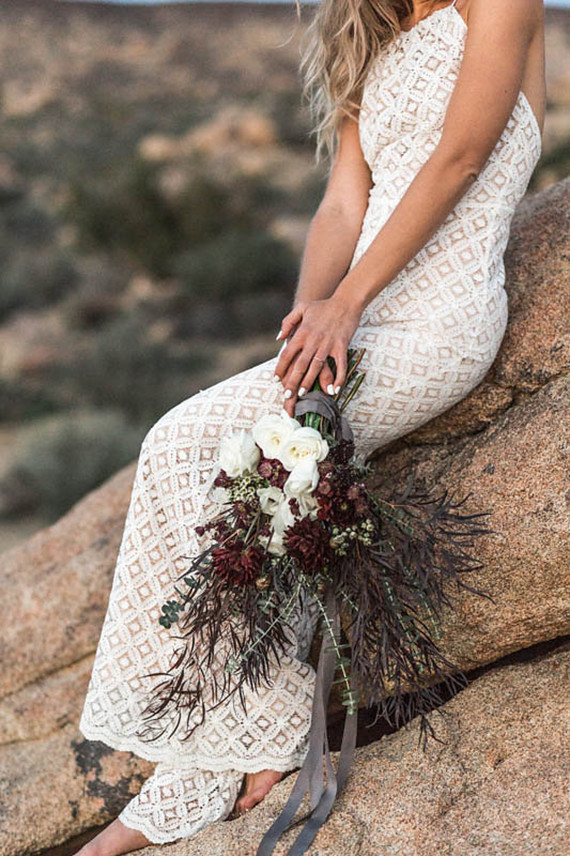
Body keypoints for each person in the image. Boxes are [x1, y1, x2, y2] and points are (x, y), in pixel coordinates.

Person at [76, 0, 545, 853]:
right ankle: (225, 757)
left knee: (199, 449)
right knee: (190, 448)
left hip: (438, 320)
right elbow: (341, 202)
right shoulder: (370, 31)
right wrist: (307, 321)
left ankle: (250, 743)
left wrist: (348, 306)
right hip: (353, 314)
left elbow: (461, 155)